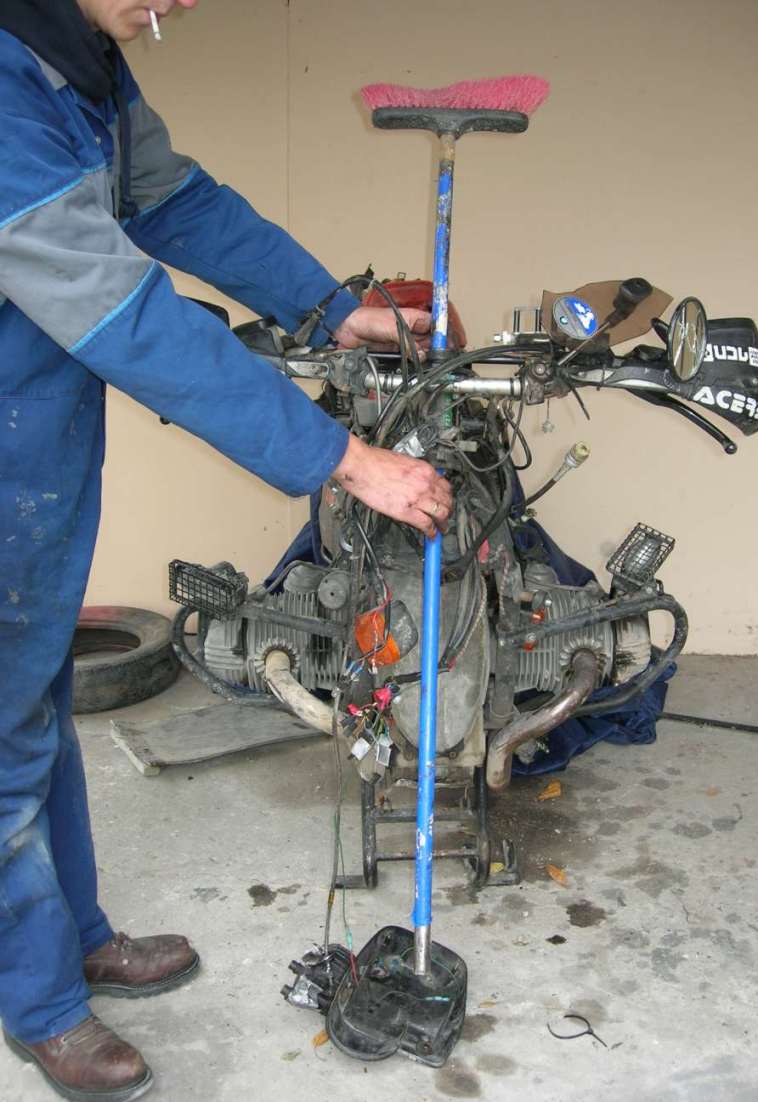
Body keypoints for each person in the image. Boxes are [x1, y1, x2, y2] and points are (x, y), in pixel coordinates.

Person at [0, 1, 453, 1098]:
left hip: (38, 438)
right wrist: (343, 459)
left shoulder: (79, 63)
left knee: (37, 697)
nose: (184, 2)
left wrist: (330, 306)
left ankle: (77, 937)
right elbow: (126, 315)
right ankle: (40, 1004)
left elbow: (176, 202)